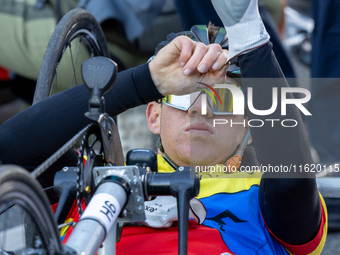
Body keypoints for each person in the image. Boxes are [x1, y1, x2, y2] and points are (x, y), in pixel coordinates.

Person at [0, 0, 327, 254]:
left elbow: (291, 182)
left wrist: (250, 38)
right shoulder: (94, 182)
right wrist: (146, 80)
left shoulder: (268, 196)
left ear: (249, 127)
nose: (201, 108)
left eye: (223, 100)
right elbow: (10, 150)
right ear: (153, 116)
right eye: (185, 97)